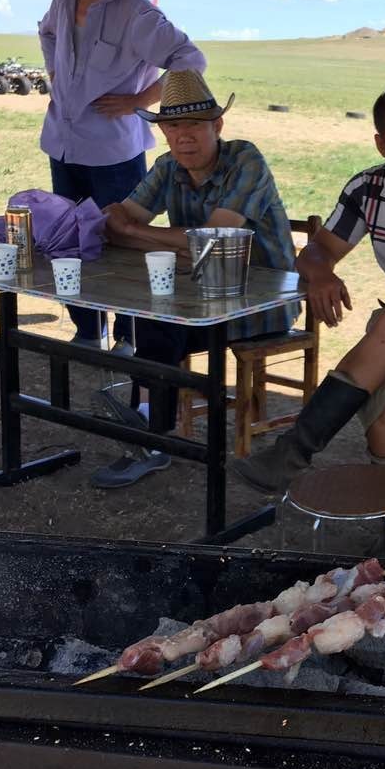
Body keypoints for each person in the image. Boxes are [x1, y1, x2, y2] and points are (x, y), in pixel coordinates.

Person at [232, 81, 385, 495]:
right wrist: (322, 273)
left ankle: (293, 451)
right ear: (382, 145)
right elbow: (316, 251)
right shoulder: (369, 189)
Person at [91, 69, 299, 488]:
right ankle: (153, 431)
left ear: (217, 125)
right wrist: (146, 233)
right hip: (197, 298)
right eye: (172, 126)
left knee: (159, 319)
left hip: (260, 304)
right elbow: (117, 221)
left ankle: (152, 435)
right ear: (162, 131)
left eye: (194, 125)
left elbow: (213, 241)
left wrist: (139, 233)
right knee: (152, 311)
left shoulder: (246, 160)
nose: (183, 136)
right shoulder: (168, 166)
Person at [35, 0, 206, 352]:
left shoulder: (136, 12)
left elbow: (190, 61)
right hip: (65, 143)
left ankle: (130, 335)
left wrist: (137, 102)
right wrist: (55, 69)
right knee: (68, 238)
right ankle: (88, 330)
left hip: (113, 151)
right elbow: (47, 32)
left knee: (123, 239)